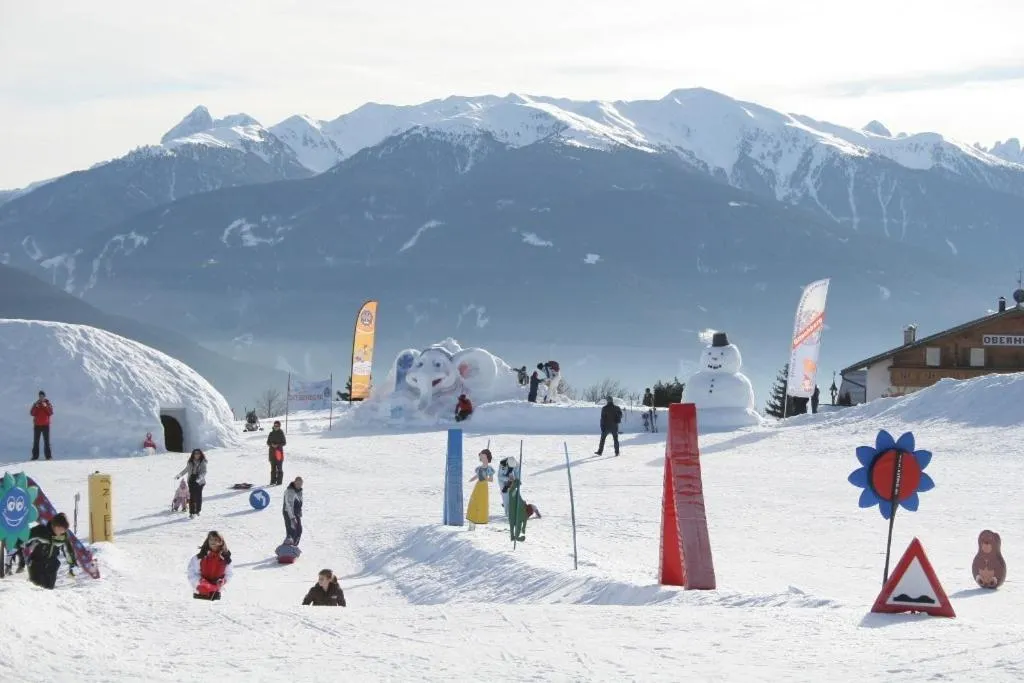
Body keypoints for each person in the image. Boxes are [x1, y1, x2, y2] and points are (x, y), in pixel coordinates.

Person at [24, 513, 77, 589]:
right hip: (36, 564)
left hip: (52, 566)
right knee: (37, 588)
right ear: (54, 526)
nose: (62, 532)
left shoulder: (63, 536)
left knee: (49, 589)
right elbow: (25, 538)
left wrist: (72, 563)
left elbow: (68, 550)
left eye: (64, 530)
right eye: (60, 529)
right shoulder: (40, 531)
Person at [187, 530, 232, 600]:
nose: (213, 542)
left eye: (215, 539)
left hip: (216, 593)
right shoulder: (200, 557)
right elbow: (191, 573)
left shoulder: (225, 559)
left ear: (221, 542)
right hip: (200, 593)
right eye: (210, 539)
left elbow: (229, 574)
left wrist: (223, 581)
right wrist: (201, 581)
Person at [175, 449, 208, 518]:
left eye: (198, 453)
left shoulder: (203, 462)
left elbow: (204, 472)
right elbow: (186, 469)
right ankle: (192, 512)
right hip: (191, 481)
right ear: (193, 454)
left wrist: (199, 479)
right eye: (195, 453)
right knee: (192, 497)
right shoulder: (190, 462)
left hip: (200, 483)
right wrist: (179, 475)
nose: (197, 455)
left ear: (200, 454)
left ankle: (198, 510)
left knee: (198, 497)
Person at [466, 449, 494, 524]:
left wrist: (485, 478)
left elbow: (491, 480)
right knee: (475, 500)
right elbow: (477, 475)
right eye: (482, 457)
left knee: (482, 502)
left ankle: (481, 519)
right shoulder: (479, 468)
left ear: (488, 458)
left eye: (484, 457)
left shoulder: (489, 469)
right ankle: (473, 517)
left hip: (484, 486)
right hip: (478, 485)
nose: (483, 459)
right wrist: (472, 479)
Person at [30, 390, 54, 461]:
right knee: (36, 442)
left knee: (47, 441)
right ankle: (35, 456)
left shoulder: (48, 403)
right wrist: (36, 407)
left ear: (44, 396)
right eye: (40, 396)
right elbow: (32, 413)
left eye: (42, 396)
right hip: (37, 425)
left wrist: (46, 406)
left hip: (45, 426)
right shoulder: (36, 404)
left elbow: (51, 412)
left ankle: (48, 456)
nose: (41, 397)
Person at [283, 477, 304, 545]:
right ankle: (286, 550)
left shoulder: (299, 490)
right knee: (292, 532)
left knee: (298, 530)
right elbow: (289, 505)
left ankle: (293, 548)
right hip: (289, 513)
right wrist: (292, 518)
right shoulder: (290, 491)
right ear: (294, 482)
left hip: (295, 512)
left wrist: (300, 510)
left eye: (300, 484)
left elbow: (299, 501)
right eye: (297, 483)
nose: (299, 485)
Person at [266, 420, 286, 486]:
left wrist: (277, 445)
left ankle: (279, 482)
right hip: (272, 453)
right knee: (273, 468)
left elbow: (284, 443)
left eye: (277, 426)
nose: (276, 427)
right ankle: (272, 481)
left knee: (279, 468)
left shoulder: (281, 433)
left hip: (279, 453)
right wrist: (271, 444)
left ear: (279, 426)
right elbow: (268, 442)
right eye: (275, 425)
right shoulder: (271, 433)